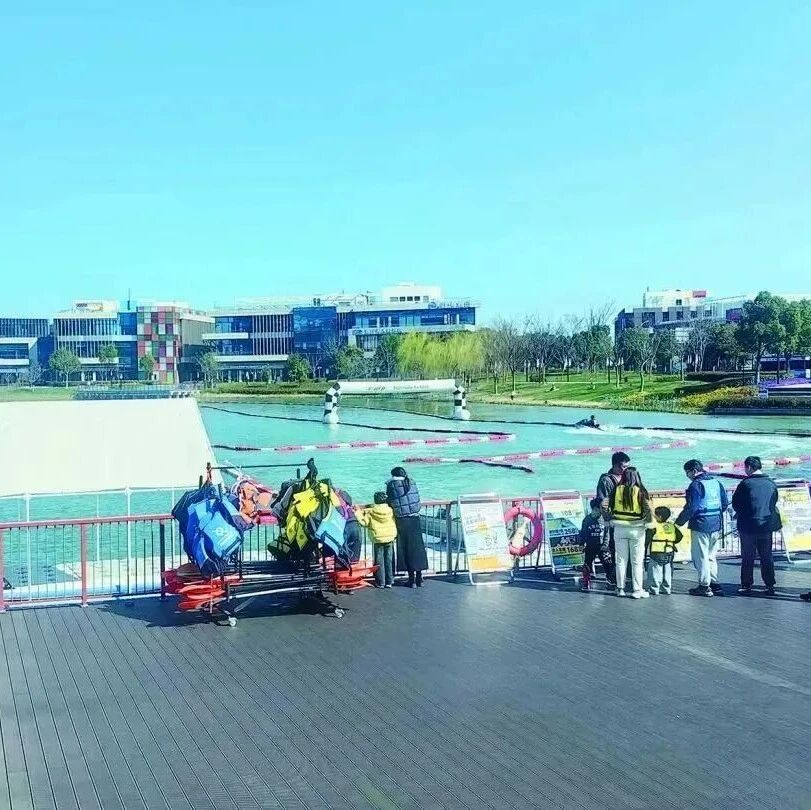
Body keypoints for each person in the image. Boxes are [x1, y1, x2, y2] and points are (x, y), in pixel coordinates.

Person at [675, 459, 729, 598]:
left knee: (701, 556)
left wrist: (678, 523)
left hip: (700, 524)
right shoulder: (716, 482)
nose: (687, 476)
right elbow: (724, 503)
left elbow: (691, 507)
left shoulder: (696, 485)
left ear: (694, 471)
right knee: (711, 556)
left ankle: (704, 586)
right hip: (716, 523)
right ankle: (715, 584)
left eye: (687, 473)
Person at [731, 456, 781, 596]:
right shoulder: (771, 483)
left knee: (748, 556)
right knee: (767, 556)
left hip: (748, 526)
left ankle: (746, 584)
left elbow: (736, 504)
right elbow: (774, 501)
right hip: (766, 525)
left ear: (748, 467)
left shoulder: (745, 484)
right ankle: (770, 585)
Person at [608, 467, 652, 598]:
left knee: (620, 560)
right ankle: (637, 590)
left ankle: (620, 589)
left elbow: (605, 505)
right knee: (637, 561)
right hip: (636, 528)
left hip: (619, 528)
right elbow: (648, 508)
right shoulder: (641, 491)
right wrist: (648, 522)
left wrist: (608, 519)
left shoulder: (616, 490)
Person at [386, 466, 428, 588]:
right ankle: (420, 578)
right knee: (418, 548)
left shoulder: (392, 484)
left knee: (405, 548)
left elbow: (390, 499)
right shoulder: (411, 482)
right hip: (415, 518)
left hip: (402, 520)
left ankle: (411, 580)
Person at [355, 492, 397, 588]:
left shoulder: (371, 512)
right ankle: (390, 581)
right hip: (389, 536)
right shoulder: (390, 510)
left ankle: (380, 582)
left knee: (379, 560)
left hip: (377, 537)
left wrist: (358, 512)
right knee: (389, 559)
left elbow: (364, 523)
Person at [579, 497, 616, 591]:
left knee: (608, 563)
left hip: (602, 546)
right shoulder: (587, 520)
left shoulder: (604, 519)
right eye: (600, 509)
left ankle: (610, 580)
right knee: (587, 564)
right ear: (595, 509)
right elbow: (583, 533)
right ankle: (586, 581)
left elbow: (607, 533)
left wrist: (605, 545)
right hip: (590, 545)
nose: (602, 512)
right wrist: (581, 544)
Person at [645, 506, 682, 596]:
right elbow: (679, 536)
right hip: (669, 551)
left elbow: (647, 539)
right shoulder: (672, 526)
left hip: (657, 551)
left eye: (655, 515)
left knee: (655, 570)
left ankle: (654, 588)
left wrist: (645, 549)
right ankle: (666, 588)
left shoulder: (654, 527)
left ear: (660, 517)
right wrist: (671, 542)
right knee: (667, 570)